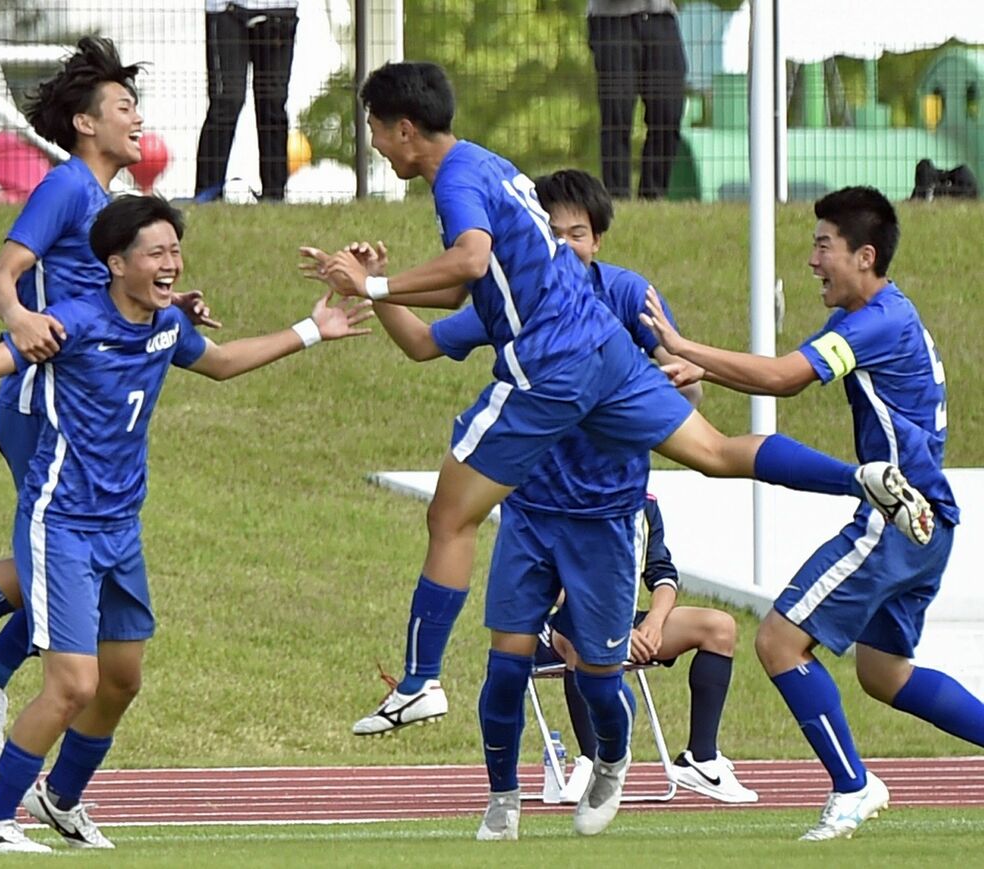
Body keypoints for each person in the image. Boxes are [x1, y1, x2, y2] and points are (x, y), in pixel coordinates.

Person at [301, 63, 930, 836]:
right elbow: (456, 305)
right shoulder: (492, 169)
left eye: (373, 130)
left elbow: (466, 261)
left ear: (402, 128)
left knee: (450, 515)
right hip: (590, 372)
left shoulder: (460, 188)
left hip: (562, 399)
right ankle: (859, 478)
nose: (374, 145)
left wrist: (365, 286)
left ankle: (425, 679)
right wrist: (378, 283)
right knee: (716, 451)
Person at [0, 194, 372, 853]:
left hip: (122, 529)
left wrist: (312, 329)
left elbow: (225, 361)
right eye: (156, 252)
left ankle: (59, 798)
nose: (171, 262)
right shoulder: (73, 318)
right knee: (73, 683)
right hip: (61, 522)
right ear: (116, 263)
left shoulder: (167, 326)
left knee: (122, 679)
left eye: (175, 249)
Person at [0, 37, 217, 764]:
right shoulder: (66, 186)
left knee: (69, 552)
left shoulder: (104, 202)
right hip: (41, 398)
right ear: (87, 124)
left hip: (68, 389)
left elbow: (98, 295)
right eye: (123, 106)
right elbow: (5, 273)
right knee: (66, 544)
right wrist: (20, 318)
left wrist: (164, 302)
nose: (136, 117)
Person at [641, 186, 984, 840]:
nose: (811, 259)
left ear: (865, 254)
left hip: (893, 515)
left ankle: (854, 786)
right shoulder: (885, 313)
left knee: (777, 639)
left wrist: (687, 346)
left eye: (823, 244)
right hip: (925, 520)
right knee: (884, 674)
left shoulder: (875, 322)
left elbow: (782, 378)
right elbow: (779, 374)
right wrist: (700, 366)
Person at [542, 494, 758, 805]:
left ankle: (701, 759)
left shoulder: (645, 505)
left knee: (719, 626)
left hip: (625, 619)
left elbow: (662, 573)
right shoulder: (568, 496)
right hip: (564, 621)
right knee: (583, 641)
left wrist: (654, 622)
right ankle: (593, 762)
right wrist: (613, 632)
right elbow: (553, 586)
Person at [193, 0, 299, 202]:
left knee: (273, 104)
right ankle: (208, 195)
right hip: (226, 10)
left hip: (278, 9)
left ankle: (275, 196)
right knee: (227, 102)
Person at [587, 0, 686, 199]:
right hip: (611, 20)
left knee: (668, 112)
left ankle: (653, 196)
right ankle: (617, 198)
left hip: (661, 16)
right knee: (617, 113)